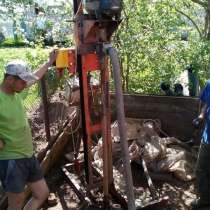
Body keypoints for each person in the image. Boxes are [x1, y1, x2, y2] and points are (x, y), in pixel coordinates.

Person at [0, 49, 58, 210]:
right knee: (16, 203)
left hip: (28, 155)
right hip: (11, 160)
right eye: (22, 81)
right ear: (10, 79)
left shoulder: (16, 92)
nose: (26, 84)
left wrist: (49, 62)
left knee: (42, 193)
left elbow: (35, 77)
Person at [191, 81, 210, 209]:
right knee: (201, 170)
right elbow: (206, 104)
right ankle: (205, 199)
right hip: (208, 139)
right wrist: (201, 116)